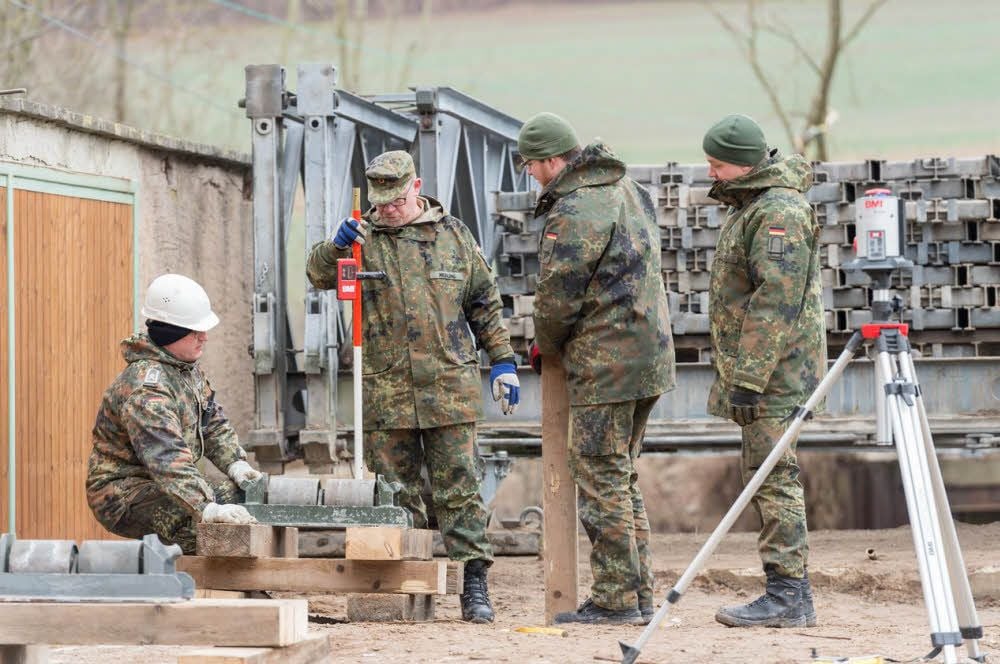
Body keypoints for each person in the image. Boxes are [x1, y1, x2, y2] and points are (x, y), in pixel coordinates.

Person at [306, 150, 518, 624]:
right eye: (381, 202)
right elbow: (318, 274)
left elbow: (484, 303)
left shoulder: (454, 238)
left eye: (398, 200)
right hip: (387, 391)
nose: (389, 210)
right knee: (394, 493)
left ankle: (474, 584)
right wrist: (334, 247)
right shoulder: (363, 239)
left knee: (459, 490)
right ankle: (404, 582)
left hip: (448, 387)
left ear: (416, 187)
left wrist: (502, 360)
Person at [519, 112, 676, 626]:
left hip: (608, 362)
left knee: (599, 476)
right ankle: (639, 594)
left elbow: (558, 296)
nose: (529, 175)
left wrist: (544, 343)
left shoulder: (578, 208)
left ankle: (615, 600)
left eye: (530, 165)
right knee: (620, 475)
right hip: (647, 355)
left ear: (550, 161)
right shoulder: (626, 188)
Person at [702, 113, 825, 628]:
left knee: (773, 476)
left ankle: (788, 594)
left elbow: (773, 301)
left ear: (744, 164)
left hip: (775, 375)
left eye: (717, 165)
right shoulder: (754, 205)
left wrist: (749, 379)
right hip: (764, 371)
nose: (710, 173)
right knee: (765, 474)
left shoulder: (778, 213)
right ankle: (785, 590)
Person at [87, 273, 261, 554]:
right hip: (123, 494)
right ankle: (203, 590)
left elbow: (211, 422)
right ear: (171, 332)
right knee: (208, 529)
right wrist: (206, 507)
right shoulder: (146, 391)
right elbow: (167, 460)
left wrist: (236, 464)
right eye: (195, 331)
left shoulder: (184, 369)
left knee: (246, 501)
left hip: (167, 481)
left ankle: (242, 585)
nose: (204, 337)